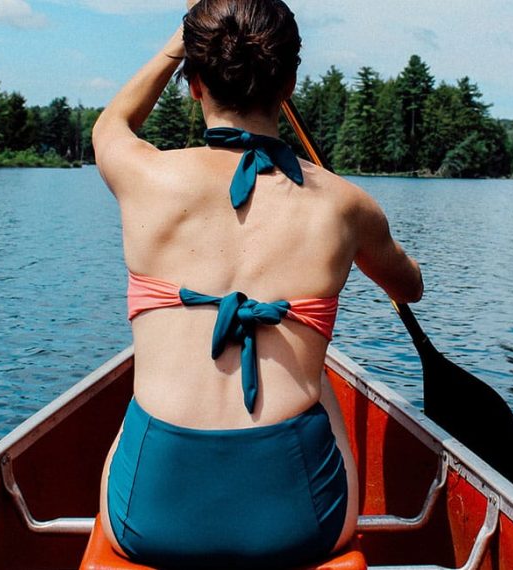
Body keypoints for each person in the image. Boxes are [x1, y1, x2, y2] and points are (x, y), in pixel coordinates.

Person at [93, 0, 422, 567]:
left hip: (148, 521)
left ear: (194, 84)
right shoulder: (346, 205)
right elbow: (409, 286)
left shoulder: (144, 175)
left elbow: (111, 124)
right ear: (288, 85)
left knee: (137, 418)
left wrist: (178, 45)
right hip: (300, 527)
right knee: (318, 378)